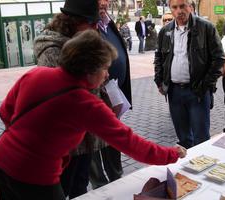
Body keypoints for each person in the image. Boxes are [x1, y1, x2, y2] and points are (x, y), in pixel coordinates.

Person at [0, 29, 187, 200]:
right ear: (89, 71)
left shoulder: (36, 74)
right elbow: (130, 143)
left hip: (1, 160)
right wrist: (171, 154)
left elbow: (5, 112)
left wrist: (28, 139)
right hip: (36, 175)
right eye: (105, 68)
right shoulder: (87, 105)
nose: (107, 75)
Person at [33, 0, 101, 198]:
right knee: (63, 189)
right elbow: (69, 97)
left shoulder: (81, 42)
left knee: (80, 186)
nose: (96, 28)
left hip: (84, 135)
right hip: (63, 142)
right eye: (91, 23)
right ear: (74, 22)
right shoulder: (52, 50)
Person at [154, 0, 225, 149]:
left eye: (182, 6)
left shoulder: (206, 28)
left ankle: (203, 169)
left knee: (201, 139)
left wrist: (205, 85)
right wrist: (159, 80)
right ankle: (188, 169)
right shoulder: (165, 31)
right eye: (175, 7)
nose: (179, 11)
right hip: (174, 93)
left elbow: (219, 59)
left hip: (197, 92)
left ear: (190, 7)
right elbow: (159, 57)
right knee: (184, 139)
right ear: (170, 9)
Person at [89, 0, 133, 189]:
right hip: (94, 96)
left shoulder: (108, 22)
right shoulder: (86, 26)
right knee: (92, 141)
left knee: (113, 136)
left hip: (114, 94)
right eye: (99, 1)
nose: (103, 3)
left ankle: (116, 177)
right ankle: (99, 185)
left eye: (105, 0)